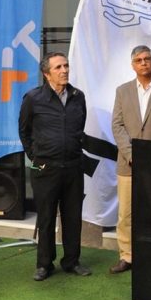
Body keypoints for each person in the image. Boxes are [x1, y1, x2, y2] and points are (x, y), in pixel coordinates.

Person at [19, 52, 91, 281]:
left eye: (66, 66)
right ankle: (44, 264)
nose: (64, 70)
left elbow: (80, 127)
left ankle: (71, 261)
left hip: (73, 168)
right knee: (46, 218)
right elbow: (24, 131)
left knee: (73, 217)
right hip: (45, 169)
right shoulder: (33, 98)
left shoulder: (78, 97)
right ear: (46, 73)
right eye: (58, 67)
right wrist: (36, 157)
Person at [109, 45, 151, 274]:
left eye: (147, 58)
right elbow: (117, 125)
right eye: (138, 60)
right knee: (126, 214)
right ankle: (127, 256)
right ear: (132, 65)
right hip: (128, 164)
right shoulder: (122, 91)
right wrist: (132, 154)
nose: (143, 63)